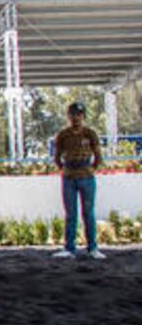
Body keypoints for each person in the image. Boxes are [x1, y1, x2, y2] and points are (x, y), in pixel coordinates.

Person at [52, 102, 105, 260]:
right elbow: (57, 157)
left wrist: (91, 168)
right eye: (73, 114)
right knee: (71, 214)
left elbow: (98, 156)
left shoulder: (90, 134)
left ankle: (92, 248)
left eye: (79, 114)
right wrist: (64, 168)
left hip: (86, 176)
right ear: (68, 116)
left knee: (88, 213)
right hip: (69, 177)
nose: (76, 117)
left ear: (83, 116)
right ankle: (69, 248)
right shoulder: (63, 135)